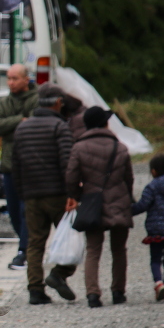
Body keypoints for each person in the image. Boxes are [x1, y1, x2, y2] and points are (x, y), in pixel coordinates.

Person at [11, 82, 77, 304]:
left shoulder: (22, 128)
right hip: (58, 194)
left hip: (31, 195)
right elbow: (67, 163)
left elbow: (16, 165)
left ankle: (35, 290)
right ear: (58, 103)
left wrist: (22, 193)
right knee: (72, 238)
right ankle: (59, 274)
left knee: (35, 242)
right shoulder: (60, 127)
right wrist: (72, 193)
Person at [64, 106, 134, 308]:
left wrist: (78, 196)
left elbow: (71, 178)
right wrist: (128, 199)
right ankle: (118, 291)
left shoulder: (79, 148)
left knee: (93, 249)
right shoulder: (120, 147)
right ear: (105, 123)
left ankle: (93, 294)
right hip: (119, 203)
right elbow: (129, 178)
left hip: (92, 203)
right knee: (119, 249)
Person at [0, 64, 37, 270]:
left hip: (30, 166)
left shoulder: (37, 100)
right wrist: (19, 121)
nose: (10, 83)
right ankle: (25, 247)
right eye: (8, 78)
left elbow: (34, 127)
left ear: (26, 79)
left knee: (28, 210)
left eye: (15, 78)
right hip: (9, 165)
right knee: (14, 211)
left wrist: (13, 128)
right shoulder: (5, 102)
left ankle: (24, 250)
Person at [132, 154, 164, 302]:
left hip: (156, 229)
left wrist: (126, 210)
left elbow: (142, 205)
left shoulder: (152, 186)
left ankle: (158, 283)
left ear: (154, 171)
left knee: (155, 260)